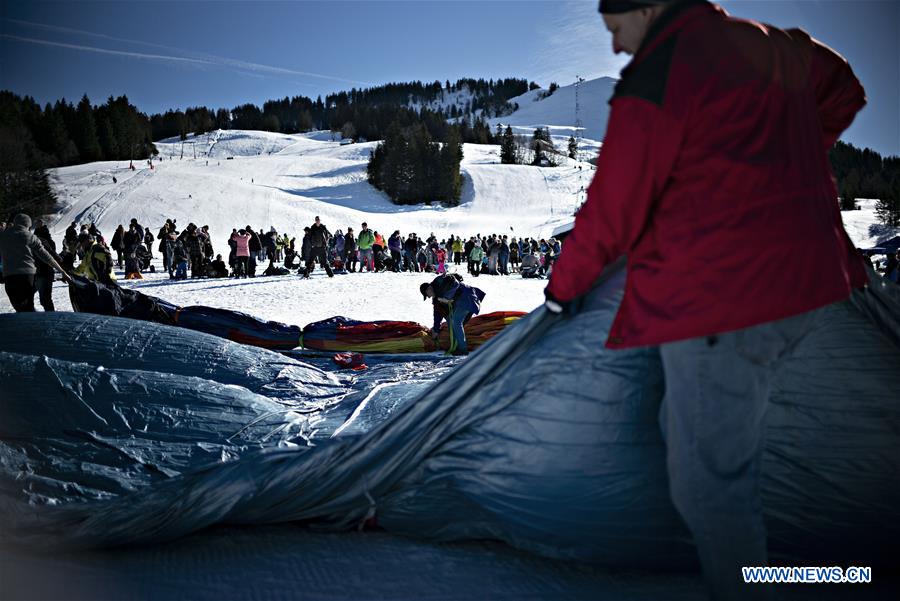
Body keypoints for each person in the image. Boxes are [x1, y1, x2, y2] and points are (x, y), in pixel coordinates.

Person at [543, 1, 867, 598]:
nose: (615, 47)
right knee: (695, 431)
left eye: (616, 29)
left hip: (727, 298)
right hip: (810, 282)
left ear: (645, 8)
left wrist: (563, 291)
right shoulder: (769, 43)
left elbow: (614, 207)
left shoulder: (660, 74)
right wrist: (781, 153)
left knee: (707, 485)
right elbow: (844, 88)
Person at [0, 214, 70, 311]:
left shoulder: (3, 236)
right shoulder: (30, 237)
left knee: (18, 307)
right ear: (28, 224)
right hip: (27, 276)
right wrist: (62, 271)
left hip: (9, 276)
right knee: (27, 307)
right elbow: (47, 256)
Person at [420, 273, 485, 356]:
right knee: (451, 321)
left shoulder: (439, 282)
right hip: (460, 302)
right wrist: (436, 329)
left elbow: (454, 283)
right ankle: (456, 346)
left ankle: (462, 349)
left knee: (456, 321)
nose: (428, 297)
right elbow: (437, 313)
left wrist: (446, 298)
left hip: (468, 298)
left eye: (427, 295)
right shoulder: (436, 297)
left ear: (429, 289)